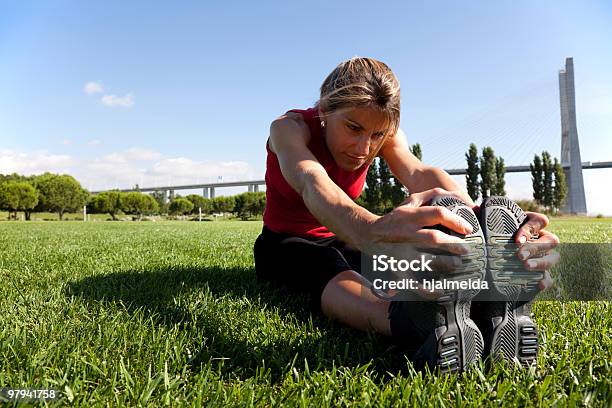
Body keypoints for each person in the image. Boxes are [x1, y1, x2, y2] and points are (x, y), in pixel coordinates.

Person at [253, 57, 559, 370]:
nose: (364, 147)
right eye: (353, 128)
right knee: (330, 268)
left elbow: (418, 171)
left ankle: (480, 309)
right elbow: (311, 182)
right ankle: (405, 321)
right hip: (287, 243)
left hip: (343, 236)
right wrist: (371, 232)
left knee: (395, 268)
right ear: (324, 111)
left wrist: (477, 222)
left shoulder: (382, 133)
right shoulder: (288, 128)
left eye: (377, 136)